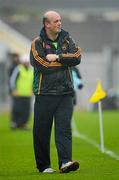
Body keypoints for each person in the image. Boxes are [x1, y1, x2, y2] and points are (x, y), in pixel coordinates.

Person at [30, 10, 81, 173]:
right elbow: (42, 66)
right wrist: (66, 60)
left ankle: (65, 162)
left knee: (64, 129)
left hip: (66, 93)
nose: (60, 23)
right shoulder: (37, 43)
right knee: (41, 131)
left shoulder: (68, 39)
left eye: (60, 20)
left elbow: (77, 57)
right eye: (56, 21)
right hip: (44, 93)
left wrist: (58, 57)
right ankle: (44, 166)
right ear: (47, 24)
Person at [9, 55, 33, 130]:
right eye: (25, 62)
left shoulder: (31, 70)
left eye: (28, 62)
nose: (27, 63)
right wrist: (14, 90)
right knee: (17, 109)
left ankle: (23, 124)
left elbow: (34, 81)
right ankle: (14, 123)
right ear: (23, 62)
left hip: (28, 94)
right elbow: (12, 80)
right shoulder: (18, 69)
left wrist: (32, 90)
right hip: (18, 94)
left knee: (26, 111)